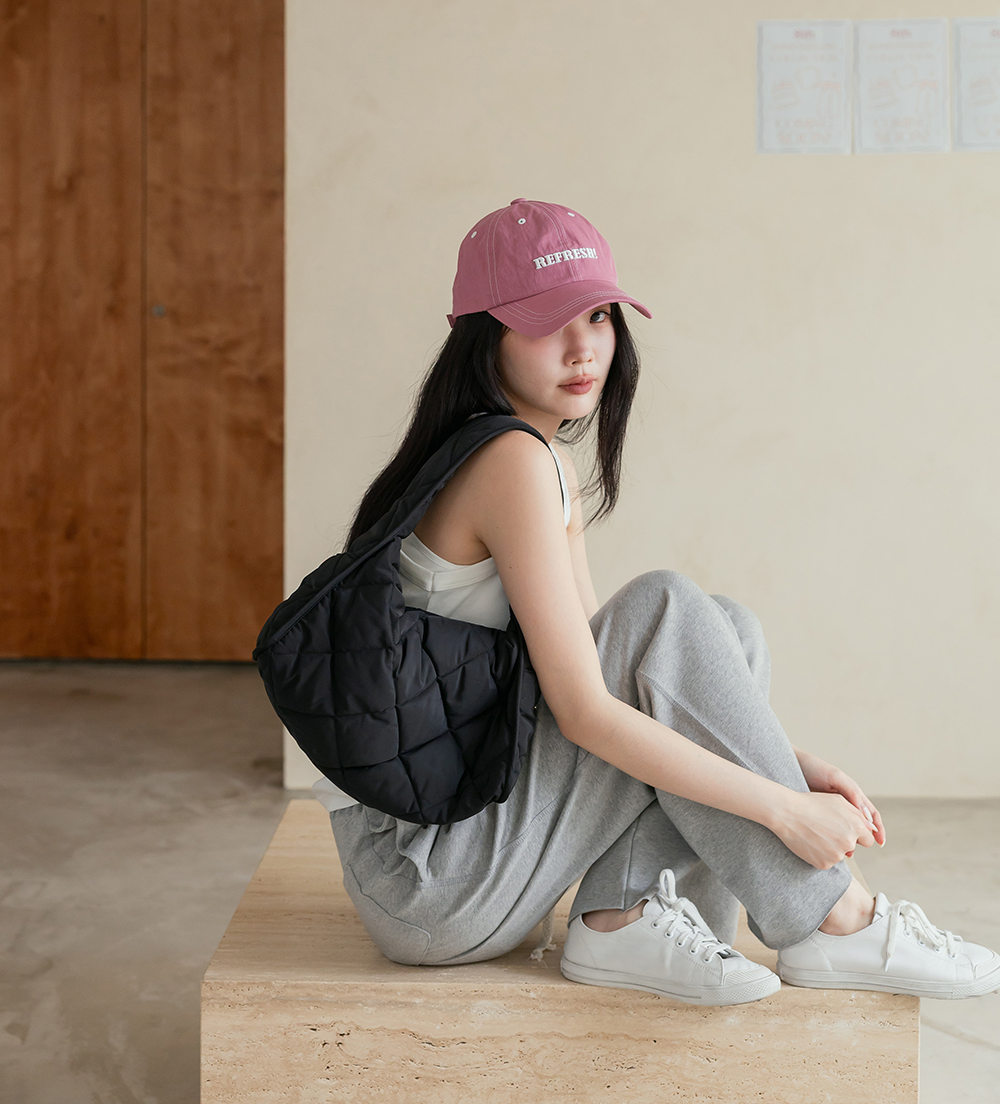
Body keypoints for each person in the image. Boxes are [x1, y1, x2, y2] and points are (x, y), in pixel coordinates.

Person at [313, 198, 1000, 1006]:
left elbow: (619, 679)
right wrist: (785, 807)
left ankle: (623, 920)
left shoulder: (534, 459)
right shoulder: (507, 463)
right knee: (668, 608)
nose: (583, 347)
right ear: (481, 335)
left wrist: (787, 758)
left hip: (465, 855)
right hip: (427, 879)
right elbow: (586, 713)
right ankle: (835, 920)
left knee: (723, 627)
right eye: (546, 321)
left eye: (598, 316)